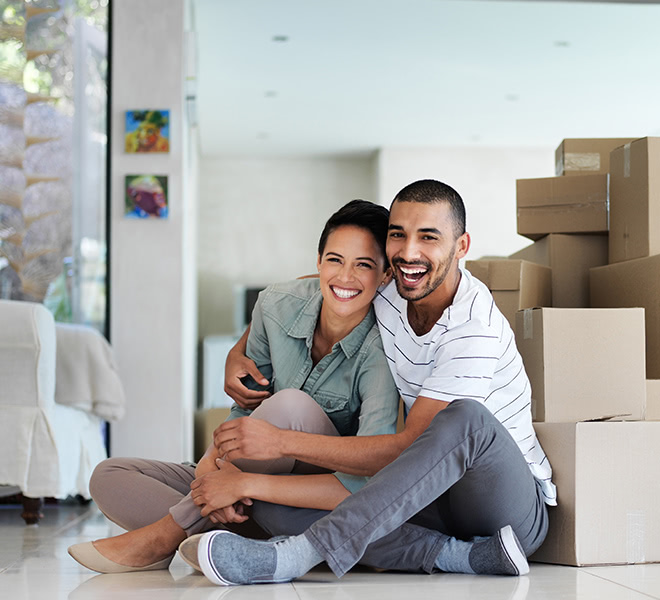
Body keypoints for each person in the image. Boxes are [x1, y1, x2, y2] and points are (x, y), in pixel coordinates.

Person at [195, 179, 557, 586]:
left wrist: (278, 445)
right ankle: (461, 556)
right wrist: (238, 349)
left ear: (462, 246)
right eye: (397, 236)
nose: (409, 252)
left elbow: (409, 446)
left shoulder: (474, 329)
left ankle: (300, 555)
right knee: (276, 505)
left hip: (503, 508)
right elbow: (327, 280)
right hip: (434, 499)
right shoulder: (393, 287)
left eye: (428, 237)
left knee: (463, 419)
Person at [67, 199, 400, 574]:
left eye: (364, 265)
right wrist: (212, 472)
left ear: (385, 276)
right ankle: (230, 536)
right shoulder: (275, 305)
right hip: (255, 482)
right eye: (336, 260)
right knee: (109, 476)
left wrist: (244, 484)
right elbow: (245, 408)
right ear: (319, 262)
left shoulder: (386, 345)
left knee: (291, 406)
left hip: (313, 494)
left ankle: (169, 533)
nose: (345, 277)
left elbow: (366, 477)